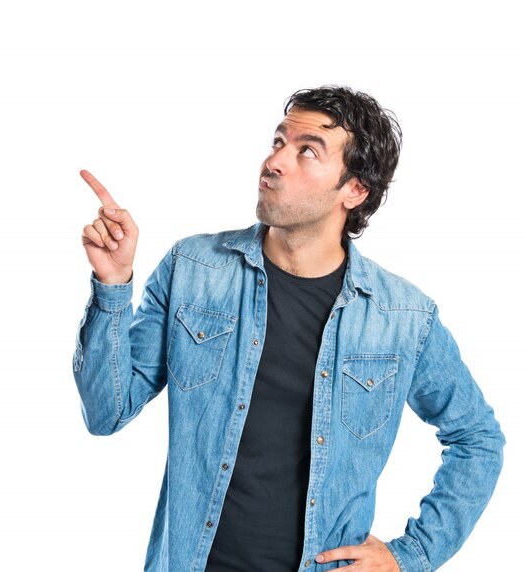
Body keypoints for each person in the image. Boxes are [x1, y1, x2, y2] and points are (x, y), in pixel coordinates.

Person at [72, 85, 505, 571]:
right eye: (279, 142)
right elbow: (107, 412)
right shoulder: (193, 270)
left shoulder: (403, 319)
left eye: (307, 152)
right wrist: (113, 287)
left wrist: (412, 555)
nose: (275, 162)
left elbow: (478, 439)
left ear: (355, 189)